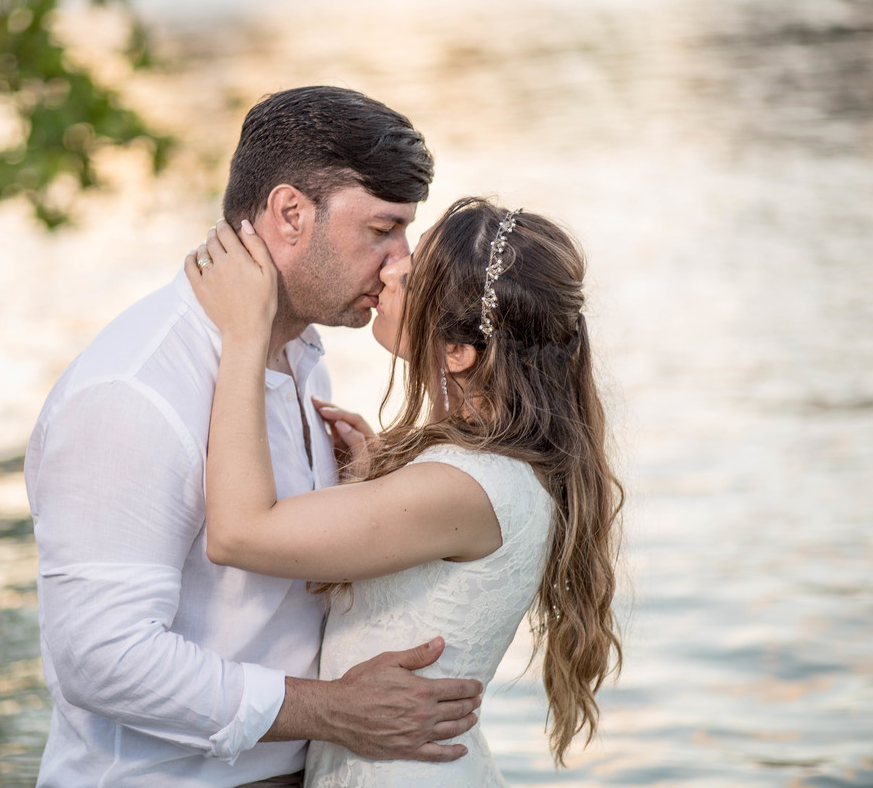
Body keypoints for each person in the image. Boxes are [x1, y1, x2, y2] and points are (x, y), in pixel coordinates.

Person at [24, 86, 485, 788]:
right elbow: (101, 658)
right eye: (380, 231)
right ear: (291, 214)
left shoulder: (298, 355)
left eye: (404, 233)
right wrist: (331, 711)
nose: (400, 262)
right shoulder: (134, 392)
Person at [185, 196, 624, 786]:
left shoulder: (459, 487)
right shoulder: (493, 468)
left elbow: (240, 533)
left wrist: (245, 333)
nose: (390, 269)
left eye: (413, 276)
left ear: (457, 351)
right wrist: (374, 482)